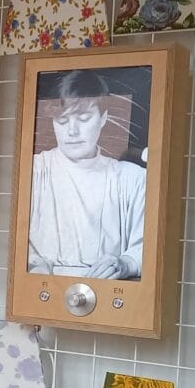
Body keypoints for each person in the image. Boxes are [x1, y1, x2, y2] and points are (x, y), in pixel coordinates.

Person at [28, 70, 146, 280]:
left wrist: (126, 263)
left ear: (103, 118)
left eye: (84, 118)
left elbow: (146, 246)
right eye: (62, 120)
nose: (72, 131)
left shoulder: (132, 178)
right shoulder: (34, 171)